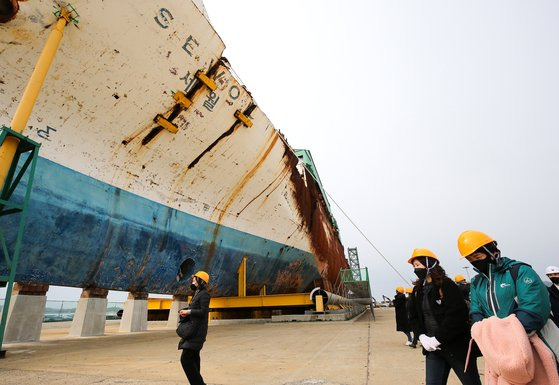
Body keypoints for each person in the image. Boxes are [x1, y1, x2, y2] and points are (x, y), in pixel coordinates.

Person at [407, 248, 481, 385]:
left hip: (457, 348)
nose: (415, 269)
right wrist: (422, 337)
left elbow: (457, 316)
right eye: (414, 266)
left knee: (471, 382)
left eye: (418, 265)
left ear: (430, 264)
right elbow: (414, 317)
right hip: (433, 351)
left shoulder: (447, 285)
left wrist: (437, 338)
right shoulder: (418, 290)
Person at [457, 230, 550, 333]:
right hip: (498, 344)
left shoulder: (519, 271)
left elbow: (534, 306)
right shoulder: (476, 282)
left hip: (532, 336)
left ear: (493, 252)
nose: (474, 262)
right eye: (470, 259)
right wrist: (484, 333)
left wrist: (509, 334)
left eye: (478, 257)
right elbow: (476, 310)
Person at [177, 271, 211, 385]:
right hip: (194, 329)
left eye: (194, 279)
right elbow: (196, 308)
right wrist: (185, 311)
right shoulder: (197, 292)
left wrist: (188, 311)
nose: (192, 280)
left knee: (185, 359)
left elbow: (203, 311)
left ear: (200, 280)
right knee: (194, 359)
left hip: (197, 331)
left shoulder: (204, 294)